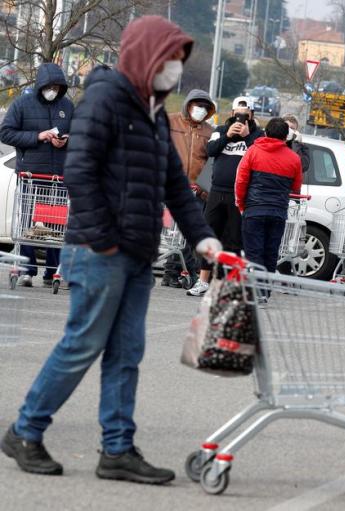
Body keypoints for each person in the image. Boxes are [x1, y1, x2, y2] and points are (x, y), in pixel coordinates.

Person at [0, 16, 220, 483]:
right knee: (83, 344)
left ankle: (117, 450)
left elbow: (174, 185)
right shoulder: (105, 97)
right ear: (145, 56)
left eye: (179, 64)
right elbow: (78, 171)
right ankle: (25, 430)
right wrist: (103, 238)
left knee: (126, 352)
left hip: (137, 252)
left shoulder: (154, 111)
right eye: (169, 61)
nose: (174, 72)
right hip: (99, 250)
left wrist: (203, 238)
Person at [0, 62, 74, 287]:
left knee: (56, 227)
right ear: (41, 84)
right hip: (31, 175)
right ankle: (27, 270)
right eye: (50, 86)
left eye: (57, 86)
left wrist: (66, 141)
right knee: (27, 226)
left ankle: (53, 272)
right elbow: (6, 133)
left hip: (58, 176)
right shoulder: (22, 104)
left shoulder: (68, 107)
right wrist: (38, 137)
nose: (53, 90)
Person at [186, 97, 262, 297]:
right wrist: (228, 136)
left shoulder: (257, 134)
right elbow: (210, 150)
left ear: (251, 114)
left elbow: (260, 154)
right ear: (232, 113)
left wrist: (246, 137)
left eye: (245, 114)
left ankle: (226, 284)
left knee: (234, 239)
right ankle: (203, 281)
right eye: (237, 113)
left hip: (239, 195)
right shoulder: (220, 130)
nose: (240, 117)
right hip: (216, 192)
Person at [162, 88, 216, 288]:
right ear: (188, 104)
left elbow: (211, 162)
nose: (201, 110)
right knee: (171, 233)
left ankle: (177, 272)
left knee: (186, 234)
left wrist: (204, 188)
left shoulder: (209, 132)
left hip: (195, 190)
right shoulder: (170, 122)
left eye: (205, 107)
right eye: (198, 105)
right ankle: (173, 271)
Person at [235, 117, 302, 272]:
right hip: (278, 211)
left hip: (254, 209)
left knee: (253, 253)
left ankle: (256, 291)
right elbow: (296, 186)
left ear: (265, 133)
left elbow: (241, 181)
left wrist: (241, 204)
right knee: (271, 254)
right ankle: (264, 292)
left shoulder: (253, 151)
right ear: (286, 137)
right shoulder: (294, 158)